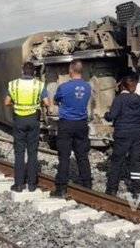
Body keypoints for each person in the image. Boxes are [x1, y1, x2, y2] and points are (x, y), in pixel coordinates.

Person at [5, 61, 50, 192]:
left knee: (19, 152)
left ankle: (19, 184)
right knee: (32, 152)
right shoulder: (39, 85)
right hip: (33, 120)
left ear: (22, 71)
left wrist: (17, 106)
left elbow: (7, 102)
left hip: (19, 120)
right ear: (34, 72)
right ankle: (32, 184)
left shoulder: (14, 84)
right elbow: (47, 103)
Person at [104, 75, 140, 198]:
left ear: (123, 86)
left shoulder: (119, 99)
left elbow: (112, 115)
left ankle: (112, 189)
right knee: (135, 161)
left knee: (117, 161)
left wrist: (106, 115)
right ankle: (136, 189)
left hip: (122, 134)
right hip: (136, 134)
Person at [51, 60, 92, 198]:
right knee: (82, 156)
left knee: (64, 157)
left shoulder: (63, 87)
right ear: (81, 71)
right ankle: (87, 185)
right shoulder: (87, 87)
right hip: (81, 124)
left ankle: (61, 188)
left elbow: (56, 100)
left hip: (66, 124)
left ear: (71, 71)